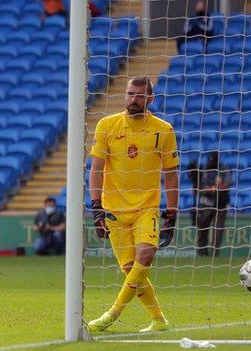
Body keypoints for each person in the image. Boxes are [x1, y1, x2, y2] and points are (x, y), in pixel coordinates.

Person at [87, 76, 179, 333]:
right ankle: (159, 320)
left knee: (146, 255)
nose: (133, 99)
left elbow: (171, 174)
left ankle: (112, 313)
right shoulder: (107, 125)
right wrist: (96, 206)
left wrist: (172, 211)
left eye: (139, 95)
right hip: (114, 209)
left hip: (146, 208)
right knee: (130, 269)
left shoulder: (164, 130)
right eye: (130, 94)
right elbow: (96, 170)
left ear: (150, 99)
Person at [195, 151, 230, 257]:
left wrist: (217, 188)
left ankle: (215, 252)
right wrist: (210, 189)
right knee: (203, 226)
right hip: (207, 203)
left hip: (221, 203)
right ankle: (202, 251)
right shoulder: (204, 170)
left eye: (213, 158)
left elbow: (226, 184)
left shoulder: (224, 169)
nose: (211, 160)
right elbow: (199, 187)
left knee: (218, 228)